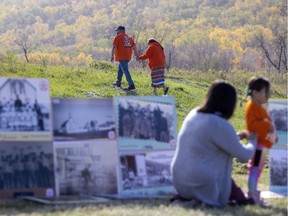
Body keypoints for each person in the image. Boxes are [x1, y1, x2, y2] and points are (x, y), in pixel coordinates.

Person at [170, 80, 257, 208]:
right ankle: (239, 198)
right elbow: (244, 156)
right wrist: (253, 140)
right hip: (202, 183)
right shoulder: (221, 124)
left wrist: (236, 136)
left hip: (180, 181)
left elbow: (208, 140)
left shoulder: (194, 114)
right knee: (223, 166)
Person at [244, 76, 277, 207]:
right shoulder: (251, 106)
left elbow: (265, 123)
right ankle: (251, 194)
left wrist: (272, 133)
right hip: (257, 145)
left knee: (257, 169)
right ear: (256, 92)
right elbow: (252, 126)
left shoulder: (258, 107)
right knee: (255, 169)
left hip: (262, 145)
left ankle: (254, 192)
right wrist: (267, 126)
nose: (267, 95)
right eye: (265, 92)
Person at [111, 25, 139, 91]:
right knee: (120, 69)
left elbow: (114, 47)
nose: (117, 32)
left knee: (125, 70)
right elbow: (134, 46)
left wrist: (112, 56)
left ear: (121, 30)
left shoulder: (118, 37)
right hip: (128, 56)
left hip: (122, 56)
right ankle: (118, 83)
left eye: (117, 30)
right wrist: (137, 55)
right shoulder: (129, 37)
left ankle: (131, 85)